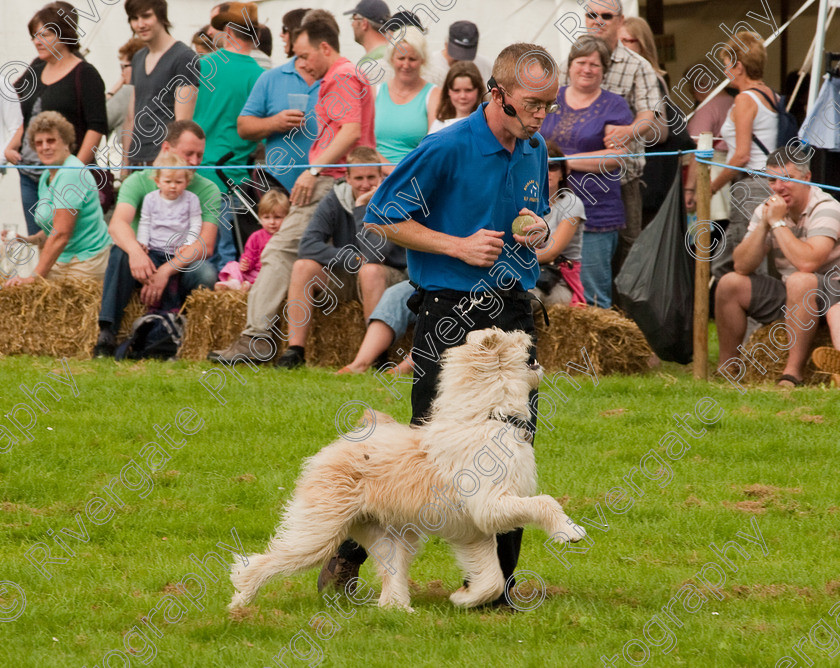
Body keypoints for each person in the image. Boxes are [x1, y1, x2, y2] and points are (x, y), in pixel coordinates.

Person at [317, 43, 557, 606]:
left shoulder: (535, 147)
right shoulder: (446, 145)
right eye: (533, 103)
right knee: (432, 448)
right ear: (497, 95)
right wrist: (456, 244)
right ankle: (350, 551)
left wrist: (537, 231)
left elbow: (533, 212)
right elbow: (382, 215)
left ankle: (497, 584)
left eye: (549, 103)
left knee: (512, 444)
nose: (543, 115)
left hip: (512, 306)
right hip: (449, 308)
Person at [210, 12, 376, 364]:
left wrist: (312, 170)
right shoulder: (350, 73)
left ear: (325, 48)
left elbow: (349, 131)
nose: (301, 63)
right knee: (300, 257)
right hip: (338, 182)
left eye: (304, 55)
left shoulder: (340, 76)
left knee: (277, 252)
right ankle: (291, 348)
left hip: (327, 182)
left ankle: (256, 339)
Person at [93, 121, 222, 357]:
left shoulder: (208, 189)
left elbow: (206, 243)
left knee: (206, 274)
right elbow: (118, 223)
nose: (195, 161)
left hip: (179, 261)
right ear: (167, 149)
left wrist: (165, 271)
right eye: (188, 153)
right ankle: (107, 332)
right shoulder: (139, 181)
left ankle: (182, 333)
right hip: (143, 258)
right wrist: (135, 251)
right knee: (119, 253)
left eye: (199, 155)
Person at [715, 146, 840, 388]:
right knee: (729, 283)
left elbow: (807, 263)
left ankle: (792, 374)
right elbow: (741, 265)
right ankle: (727, 370)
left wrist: (777, 223)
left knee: (800, 279)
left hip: (833, 294)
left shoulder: (827, 207)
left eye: (787, 179)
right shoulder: (768, 210)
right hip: (792, 295)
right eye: (772, 179)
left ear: (806, 178)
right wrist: (764, 225)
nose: (778, 187)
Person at [275, 146, 407, 368]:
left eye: (371, 177)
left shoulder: (392, 201)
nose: (365, 184)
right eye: (359, 178)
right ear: (347, 177)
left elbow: (374, 255)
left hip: (390, 276)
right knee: (302, 267)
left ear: (381, 175)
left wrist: (360, 208)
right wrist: (351, 259)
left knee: (370, 271)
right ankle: (295, 351)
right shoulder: (334, 198)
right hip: (351, 271)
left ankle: (375, 355)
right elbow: (307, 245)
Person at [556, 1, 662, 274]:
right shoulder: (569, 61)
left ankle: (621, 313)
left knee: (627, 255)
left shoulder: (638, 66)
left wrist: (628, 131)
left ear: (620, 20)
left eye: (606, 16)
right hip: (562, 181)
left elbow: (649, 116)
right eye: (592, 15)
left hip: (621, 177)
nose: (598, 21)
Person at [541, 36, 633, 308]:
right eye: (581, 62)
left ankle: (596, 352)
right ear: (570, 65)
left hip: (596, 211)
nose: (587, 68)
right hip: (544, 209)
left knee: (592, 295)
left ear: (604, 70)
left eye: (595, 64)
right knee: (545, 288)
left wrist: (561, 161)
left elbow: (615, 157)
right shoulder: (551, 98)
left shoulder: (614, 105)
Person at [5, 3, 107, 236]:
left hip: (63, 178)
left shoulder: (85, 74)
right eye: (34, 36)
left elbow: (97, 127)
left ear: (64, 35)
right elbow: (26, 112)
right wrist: (11, 146)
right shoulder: (36, 67)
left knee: (62, 242)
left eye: (45, 35)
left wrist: (73, 173)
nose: (37, 41)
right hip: (30, 175)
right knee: (39, 241)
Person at [193, 2, 266, 270]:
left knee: (192, 252)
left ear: (229, 31)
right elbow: (260, 134)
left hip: (194, 172)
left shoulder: (200, 66)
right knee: (225, 257)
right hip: (230, 177)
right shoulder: (259, 76)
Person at [4, 111, 111, 286]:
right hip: (63, 260)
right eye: (39, 143)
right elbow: (51, 229)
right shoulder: (48, 175)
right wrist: (24, 239)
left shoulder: (71, 172)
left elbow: (61, 234)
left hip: (85, 262)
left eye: (51, 140)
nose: (44, 147)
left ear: (66, 141)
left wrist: (33, 278)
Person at [709, 30, 779, 279]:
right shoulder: (772, 95)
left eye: (726, 65)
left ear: (738, 66)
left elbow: (740, 156)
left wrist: (712, 187)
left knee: (740, 266)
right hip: (774, 183)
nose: (725, 71)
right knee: (763, 262)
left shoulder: (745, 100)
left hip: (751, 186)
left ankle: (749, 316)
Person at [619, 16, 694, 228]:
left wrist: (625, 130)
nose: (622, 47)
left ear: (642, 45)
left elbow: (658, 132)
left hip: (648, 178)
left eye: (628, 40)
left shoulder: (650, 77)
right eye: (619, 41)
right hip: (626, 174)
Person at [237, 12, 320, 197]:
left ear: (301, 36)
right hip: (278, 194)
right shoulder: (270, 78)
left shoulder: (335, 79)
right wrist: (275, 123)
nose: (281, 35)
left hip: (326, 190)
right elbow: (243, 127)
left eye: (285, 30)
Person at [122, 0, 200, 170]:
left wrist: (165, 163)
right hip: (137, 160)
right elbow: (131, 117)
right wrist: (124, 165)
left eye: (146, 16)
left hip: (165, 165)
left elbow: (182, 123)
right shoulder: (138, 57)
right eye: (134, 18)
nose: (140, 24)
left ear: (161, 16)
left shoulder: (184, 57)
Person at [135, 151, 202, 310]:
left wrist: (188, 244)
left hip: (177, 252)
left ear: (186, 182)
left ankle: (172, 310)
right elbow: (145, 223)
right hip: (155, 249)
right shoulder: (151, 199)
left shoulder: (191, 199)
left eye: (178, 182)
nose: (173, 186)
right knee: (150, 275)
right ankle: (152, 306)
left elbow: (195, 224)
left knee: (172, 282)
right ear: (158, 181)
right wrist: (142, 243)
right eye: (168, 181)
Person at [531, 141, 586, 307]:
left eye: (552, 166)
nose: (546, 172)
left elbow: (550, 253)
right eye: (540, 165)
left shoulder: (572, 203)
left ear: (562, 173)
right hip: (526, 273)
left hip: (557, 279)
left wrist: (514, 262)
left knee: (524, 299)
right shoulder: (524, 202)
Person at [374, 27, 440, 166]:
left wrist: (401, 174)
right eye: (401, 58)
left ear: (422, 60)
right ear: (392, 59)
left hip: (414, 174)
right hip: (376, 175)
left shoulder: (434, 95)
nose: (406, 65)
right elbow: (366, 144)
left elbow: (433, 146)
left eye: (412, 59)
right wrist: (390, 171)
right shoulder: (375, 92)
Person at [684, 63, 734, 225]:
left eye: (692, 89)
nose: (693, 95)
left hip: (710, 175)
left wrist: (689, 189)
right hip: (732, 174)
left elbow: (699, 152)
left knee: (708, 236)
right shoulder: (734, 101)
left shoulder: (707, 108)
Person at [336, 279, 416, 374]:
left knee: (433, 306)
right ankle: (359, 364)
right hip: (418, 281)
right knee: (394, 294)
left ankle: (407, 366)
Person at [216, 190, 290, 291]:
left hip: (271, 275)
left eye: (277, 217)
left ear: (287, 217)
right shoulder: (256, 236)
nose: (272, 222)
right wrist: (246, 263)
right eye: (267, 217)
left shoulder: (287, 237)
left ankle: (250, 287)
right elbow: (249, 254)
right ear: (260, 218)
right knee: (232, 265)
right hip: (253, 272)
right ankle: (234, 283)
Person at [426, 21, 492, 87]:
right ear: (446, 45)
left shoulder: (486, 66)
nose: (461, 61)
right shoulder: (429, 66)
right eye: (456, 56)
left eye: (467, 56)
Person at [345, 0, 392, 85]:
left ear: (364, 24)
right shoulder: (395, 54)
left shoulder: (370, 64)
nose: (352, 24)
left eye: (354, 18)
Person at [106, 39, 146, 137]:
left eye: (123, 67)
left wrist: (112, 92)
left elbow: (98, 121)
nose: (122, 73)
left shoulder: (127, 93)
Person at [429, 61, 482, 134]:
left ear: (479, 90)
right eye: (456, 90)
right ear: (448, 91)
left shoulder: (487, 123)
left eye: (468, 90)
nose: (463, 96)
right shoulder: (439, 124)